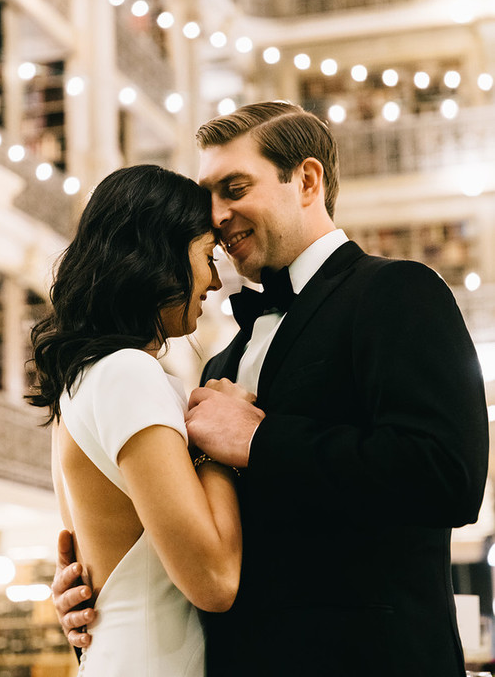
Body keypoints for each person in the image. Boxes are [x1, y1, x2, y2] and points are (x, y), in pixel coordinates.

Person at [53, 103, 488, 677]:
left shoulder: (396, 292)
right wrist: (92, 594)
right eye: (209, 196)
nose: (217, 215)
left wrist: (262, 441)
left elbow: (447, 479)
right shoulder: (221, 363)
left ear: (306, 180)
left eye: (235, 187)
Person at [28, 164, 242, 677]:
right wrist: (215, 442)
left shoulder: (84, 379)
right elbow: (215, 580)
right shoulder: (127, 373)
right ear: (159, 256)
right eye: (206, 256)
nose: (213, 281)